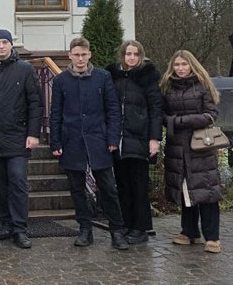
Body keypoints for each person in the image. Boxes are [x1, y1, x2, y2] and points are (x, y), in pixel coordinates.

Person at [50, 37, 129, 250]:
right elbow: (55, 113)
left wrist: (113, 138)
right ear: (70, 56)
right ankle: (85, 228)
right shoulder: (61, 81)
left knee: (108, 188)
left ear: (89, 54)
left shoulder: (103, 77)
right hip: (71, 140)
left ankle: (117, 230)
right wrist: (55, 142)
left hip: (98, 140)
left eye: (83, 54)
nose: (80, 59)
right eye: (76, 55)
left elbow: (113, 110)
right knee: (77, 189)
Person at [0, 29, 41, 249]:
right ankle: (4, 223)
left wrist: (33, 133)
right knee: (0, 184)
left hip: (18, 137)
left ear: (11, 45)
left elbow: (35, 103)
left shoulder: (25, 69)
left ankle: (20, 228)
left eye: (5, 42)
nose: (1, 46)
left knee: (18, 181)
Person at [160, 50, 223, 253]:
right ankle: (189, 232)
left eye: (184, 64)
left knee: (207, 191)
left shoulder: (203, 85)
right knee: (185, 189)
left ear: (192, 66)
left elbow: (211, 115)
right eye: (177, 65)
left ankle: (212, 237)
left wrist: (180, 121)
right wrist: (172, 122)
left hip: (201, 145)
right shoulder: (167, 88)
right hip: (177, 145)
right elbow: (162, 114)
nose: (180, 68)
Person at [106, 40, 163, 244]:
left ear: (140, 56)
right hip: (119, 140)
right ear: (122, 55)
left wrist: (154, 138)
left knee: (139, 185)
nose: (131, 58)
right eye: (128, 54)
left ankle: (140, 227)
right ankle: (126, 224)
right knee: (122, 184)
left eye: (135, 54)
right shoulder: (114, 76)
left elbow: (156, 110)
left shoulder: (148, 77)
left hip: (139, 138)